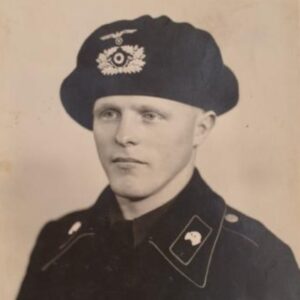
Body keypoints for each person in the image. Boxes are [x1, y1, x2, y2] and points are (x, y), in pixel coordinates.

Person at [17, 15, 300, 300]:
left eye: (150, 115)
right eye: (109, 114)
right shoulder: (56, 243)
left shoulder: (257, 261)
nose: (124, 136)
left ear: (200, 129)